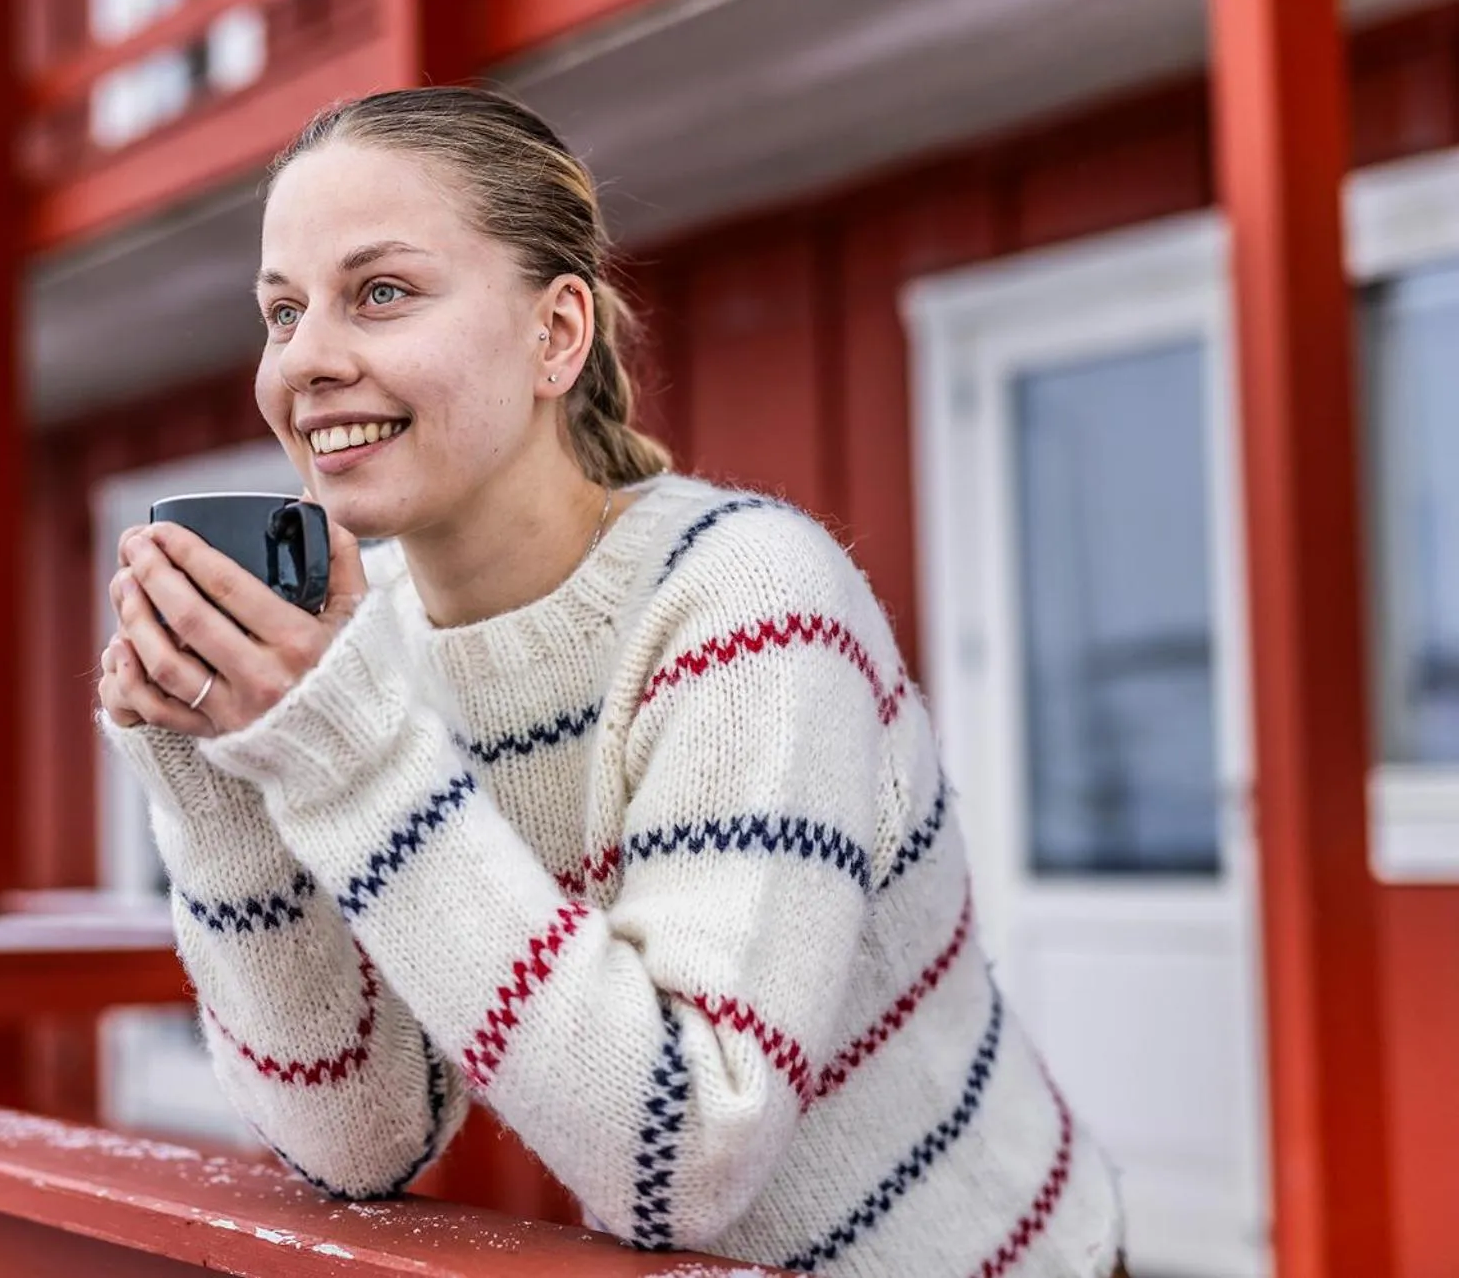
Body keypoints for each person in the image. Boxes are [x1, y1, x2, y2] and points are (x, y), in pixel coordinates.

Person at [96, 85, 1125, 1276]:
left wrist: (346, 755)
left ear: (557, 334)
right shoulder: (362, 659)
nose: (306, 362)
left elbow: (692, 1151)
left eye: (380, 293)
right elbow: (357, 1138)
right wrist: (210, 771)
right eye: (282, 311)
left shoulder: (748, 599)